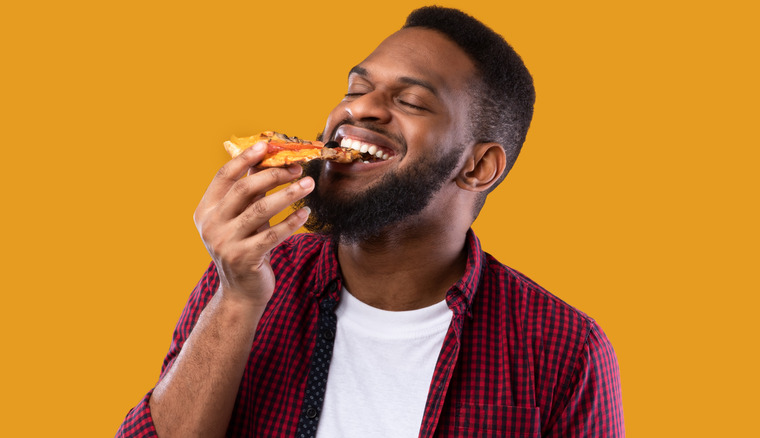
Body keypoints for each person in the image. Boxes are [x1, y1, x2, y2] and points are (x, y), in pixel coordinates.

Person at [117, 6, 623, 438]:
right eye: (356, 87)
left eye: (410, 101)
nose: (359, 108)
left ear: (478, 167)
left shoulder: (563, 349)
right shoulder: (248, 271)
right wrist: (237, 299)